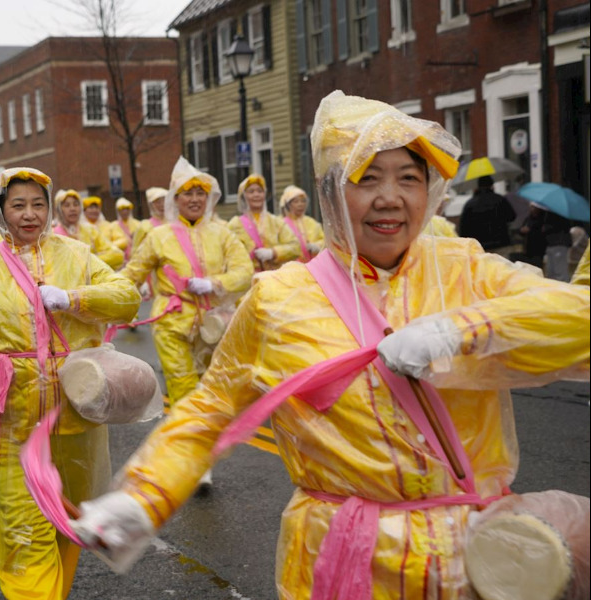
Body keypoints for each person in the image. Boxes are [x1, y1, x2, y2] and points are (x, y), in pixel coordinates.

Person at [71, 91, 590, 599]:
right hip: (343, 557)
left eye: (409, 178)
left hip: (475, 562)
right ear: (329, 191)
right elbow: (209, 410)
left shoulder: (465, 270)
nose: (391, 197)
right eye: (367, 178)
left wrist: (464, 330)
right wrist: (142, 497)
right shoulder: (279, 299)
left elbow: (578, 320)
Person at [0, 167, 140, 599]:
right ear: (1, 211)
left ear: (51, 206)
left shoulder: (77, 255)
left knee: (68, 521)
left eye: (38, 204)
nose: (29, 214)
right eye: (18, 205)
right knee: (23, 531)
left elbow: (128, 297)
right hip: (9, 424)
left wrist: (74, 298)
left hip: (75, 418)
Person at [121, 156, 254, 405]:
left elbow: (244, 271)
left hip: (214, 326)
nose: (194, 199)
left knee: (213, 394)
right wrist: (93, 296)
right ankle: (187, 438)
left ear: (208, 198)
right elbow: (130, 275)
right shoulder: (158, 236)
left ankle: (204, 442)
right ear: (175, 199)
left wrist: (213, 283)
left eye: (199, 193)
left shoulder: (223, 234)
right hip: (172, 325)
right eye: (187, 193)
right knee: (185, 392)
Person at [229, 175, 300, 271]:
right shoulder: (235, 224)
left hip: (275, 278)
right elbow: (230, 254)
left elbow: (295, 247)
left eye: (260, 191)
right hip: (249, 280)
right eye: (251, 191)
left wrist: (273, 252)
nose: (256, 195)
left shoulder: (276, 222)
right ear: (243, 196)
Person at [53, 189, 124, 269]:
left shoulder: (90, 230)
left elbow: (117, 255)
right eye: (67, 205)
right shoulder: (53, 234)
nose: (72, 209)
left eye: (76, 204)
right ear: (59, 210)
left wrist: (88, 262)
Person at [458, 175, 517, 257]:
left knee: (484, 269)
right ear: (492, 185)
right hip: (501, 244)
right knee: (502, 268)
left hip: (480, 247)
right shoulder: (500, 200)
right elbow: (512, 216)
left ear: (478, 187)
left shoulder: (470, 204)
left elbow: (464, 228)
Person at [279, 185, 324, 262]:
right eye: (296, 201)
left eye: (303, 201)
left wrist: (317, 246)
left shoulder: (312, 223)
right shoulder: (280, 224)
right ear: (288, 205)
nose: (300, 204)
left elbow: (324, 240)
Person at [131, 187, 168, 253]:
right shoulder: (144, 226)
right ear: (151, 205)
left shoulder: (174, 223)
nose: (162, 205)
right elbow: (135, 251)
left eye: (164, 201)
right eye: (158, 202)